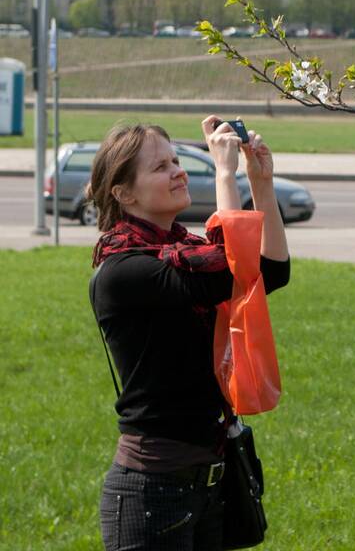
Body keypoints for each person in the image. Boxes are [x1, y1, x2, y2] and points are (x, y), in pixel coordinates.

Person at [88, 116, 290, 550]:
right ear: (123, 193)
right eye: (160, 167)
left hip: (210, 482)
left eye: (176, 160)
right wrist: (223, 174)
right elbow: (232, 267)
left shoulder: (185, 251)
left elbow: (269, 272)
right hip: (151, 492)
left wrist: (262, 183)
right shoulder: (125, 271)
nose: (179, 170)